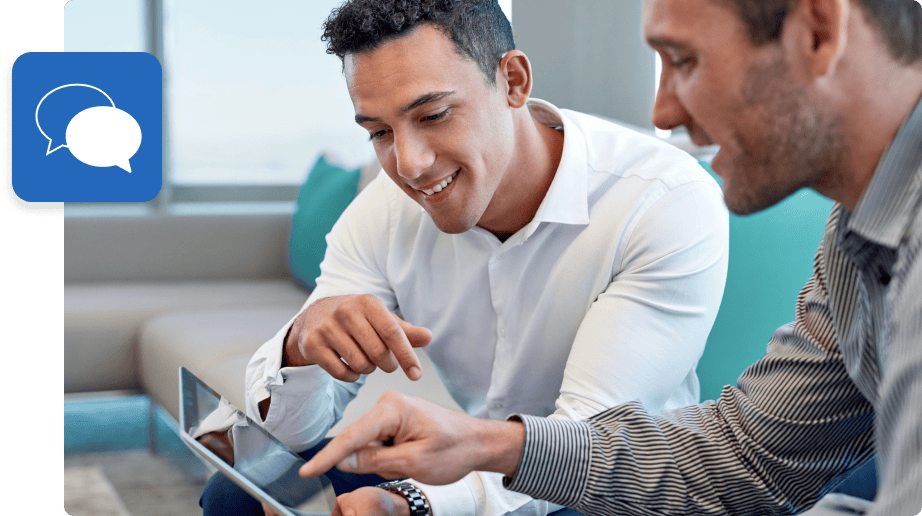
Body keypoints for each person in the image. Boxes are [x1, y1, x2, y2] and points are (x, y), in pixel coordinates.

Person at [299, 0, 922, 515]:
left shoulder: (665, 195)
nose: (664, 113)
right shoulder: (856, 240)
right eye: (378, 132)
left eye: (683, 60)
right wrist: (497, 446)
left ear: (819, 31)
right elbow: (750, 457)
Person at [199, 1, 731, 515]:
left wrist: (417, 502)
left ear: (514, 82)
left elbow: (585, 444)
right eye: (379, 133)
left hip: (613, 486)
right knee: (242, 491)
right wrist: (300, 346)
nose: (408, 164)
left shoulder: (659, 200)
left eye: (433, 115)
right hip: (463, 455)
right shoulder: (383, 212)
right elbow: (293, 433)